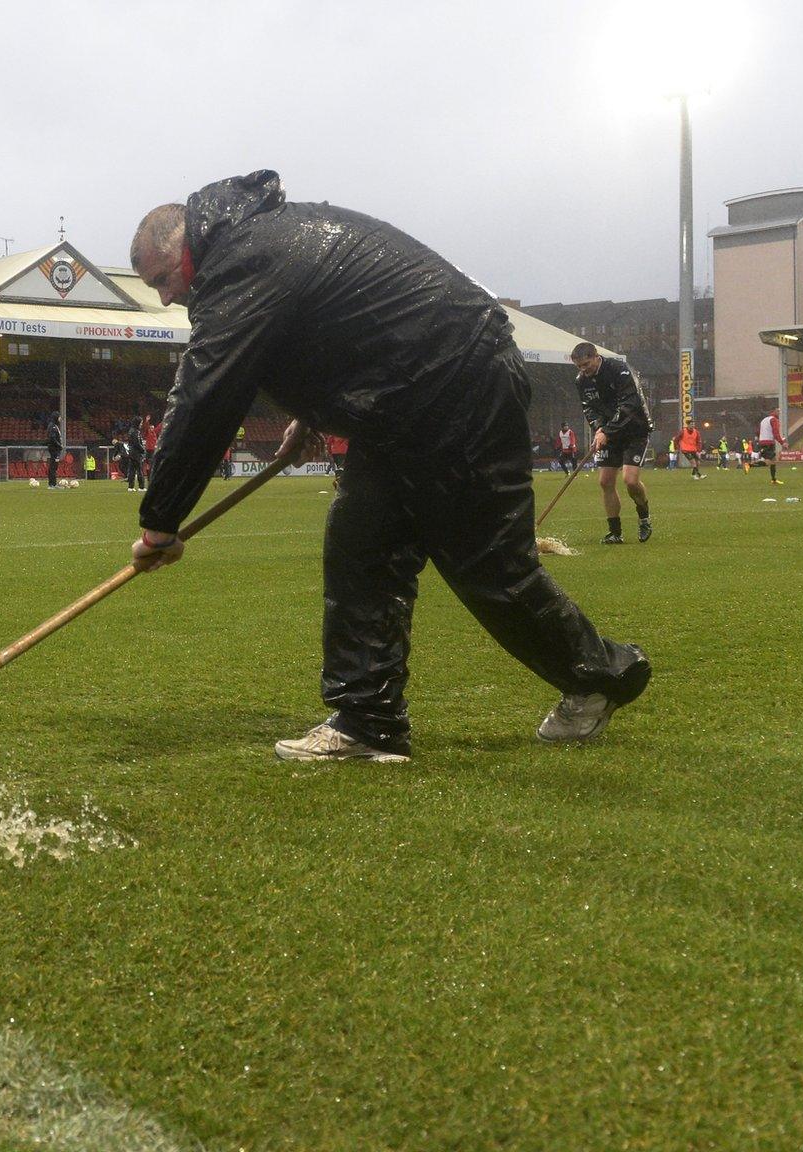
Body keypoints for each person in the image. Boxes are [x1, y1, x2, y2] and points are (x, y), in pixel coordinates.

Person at [125, 171, 649, 763]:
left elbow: (207, 397)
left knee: (486, 562)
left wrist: (160, 522)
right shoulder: (257, 243)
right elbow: (337, 333)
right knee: (361, 546)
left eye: (165, 280)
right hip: (419, 394)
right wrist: (313, 415)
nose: (167, 297)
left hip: (452, 387)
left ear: (186, 246)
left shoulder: (240, 262)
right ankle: (366, 723)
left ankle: (602, 675)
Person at [569, 343, 653, 544]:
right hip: (608, 433)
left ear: (596, 356)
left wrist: (606, 430)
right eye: (579, 366)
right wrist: (598, 427)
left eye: (586, 364)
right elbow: (589, 408)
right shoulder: (581, 381)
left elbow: (629, 405)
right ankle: (615, 532)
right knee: (605, 482)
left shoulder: (619, 370)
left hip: (635, 429)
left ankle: (644, 519)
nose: (583, 370)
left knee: (630, 481)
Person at [754, 410, 785, 485]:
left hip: (763, 442)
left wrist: (759, 439)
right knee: (769, 462)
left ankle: (773, 480)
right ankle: (749, 465)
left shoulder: (764, 420)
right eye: (778, 411)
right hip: (768, 443)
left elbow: (758, 431)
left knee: (773, 461)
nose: (779, 413)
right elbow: (776, 433)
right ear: (773, 412)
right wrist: (782, 443)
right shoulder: (774, 420)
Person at [44, 420, 64, 488]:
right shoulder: (53, 426)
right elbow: (52, 438)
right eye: (59, 417)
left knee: (53, 466)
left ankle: (52, 484)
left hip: (54, 449)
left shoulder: (53, 425)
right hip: (54, 449)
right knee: (53, 466)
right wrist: (59, 445)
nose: (60, 419)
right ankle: (53, 484)